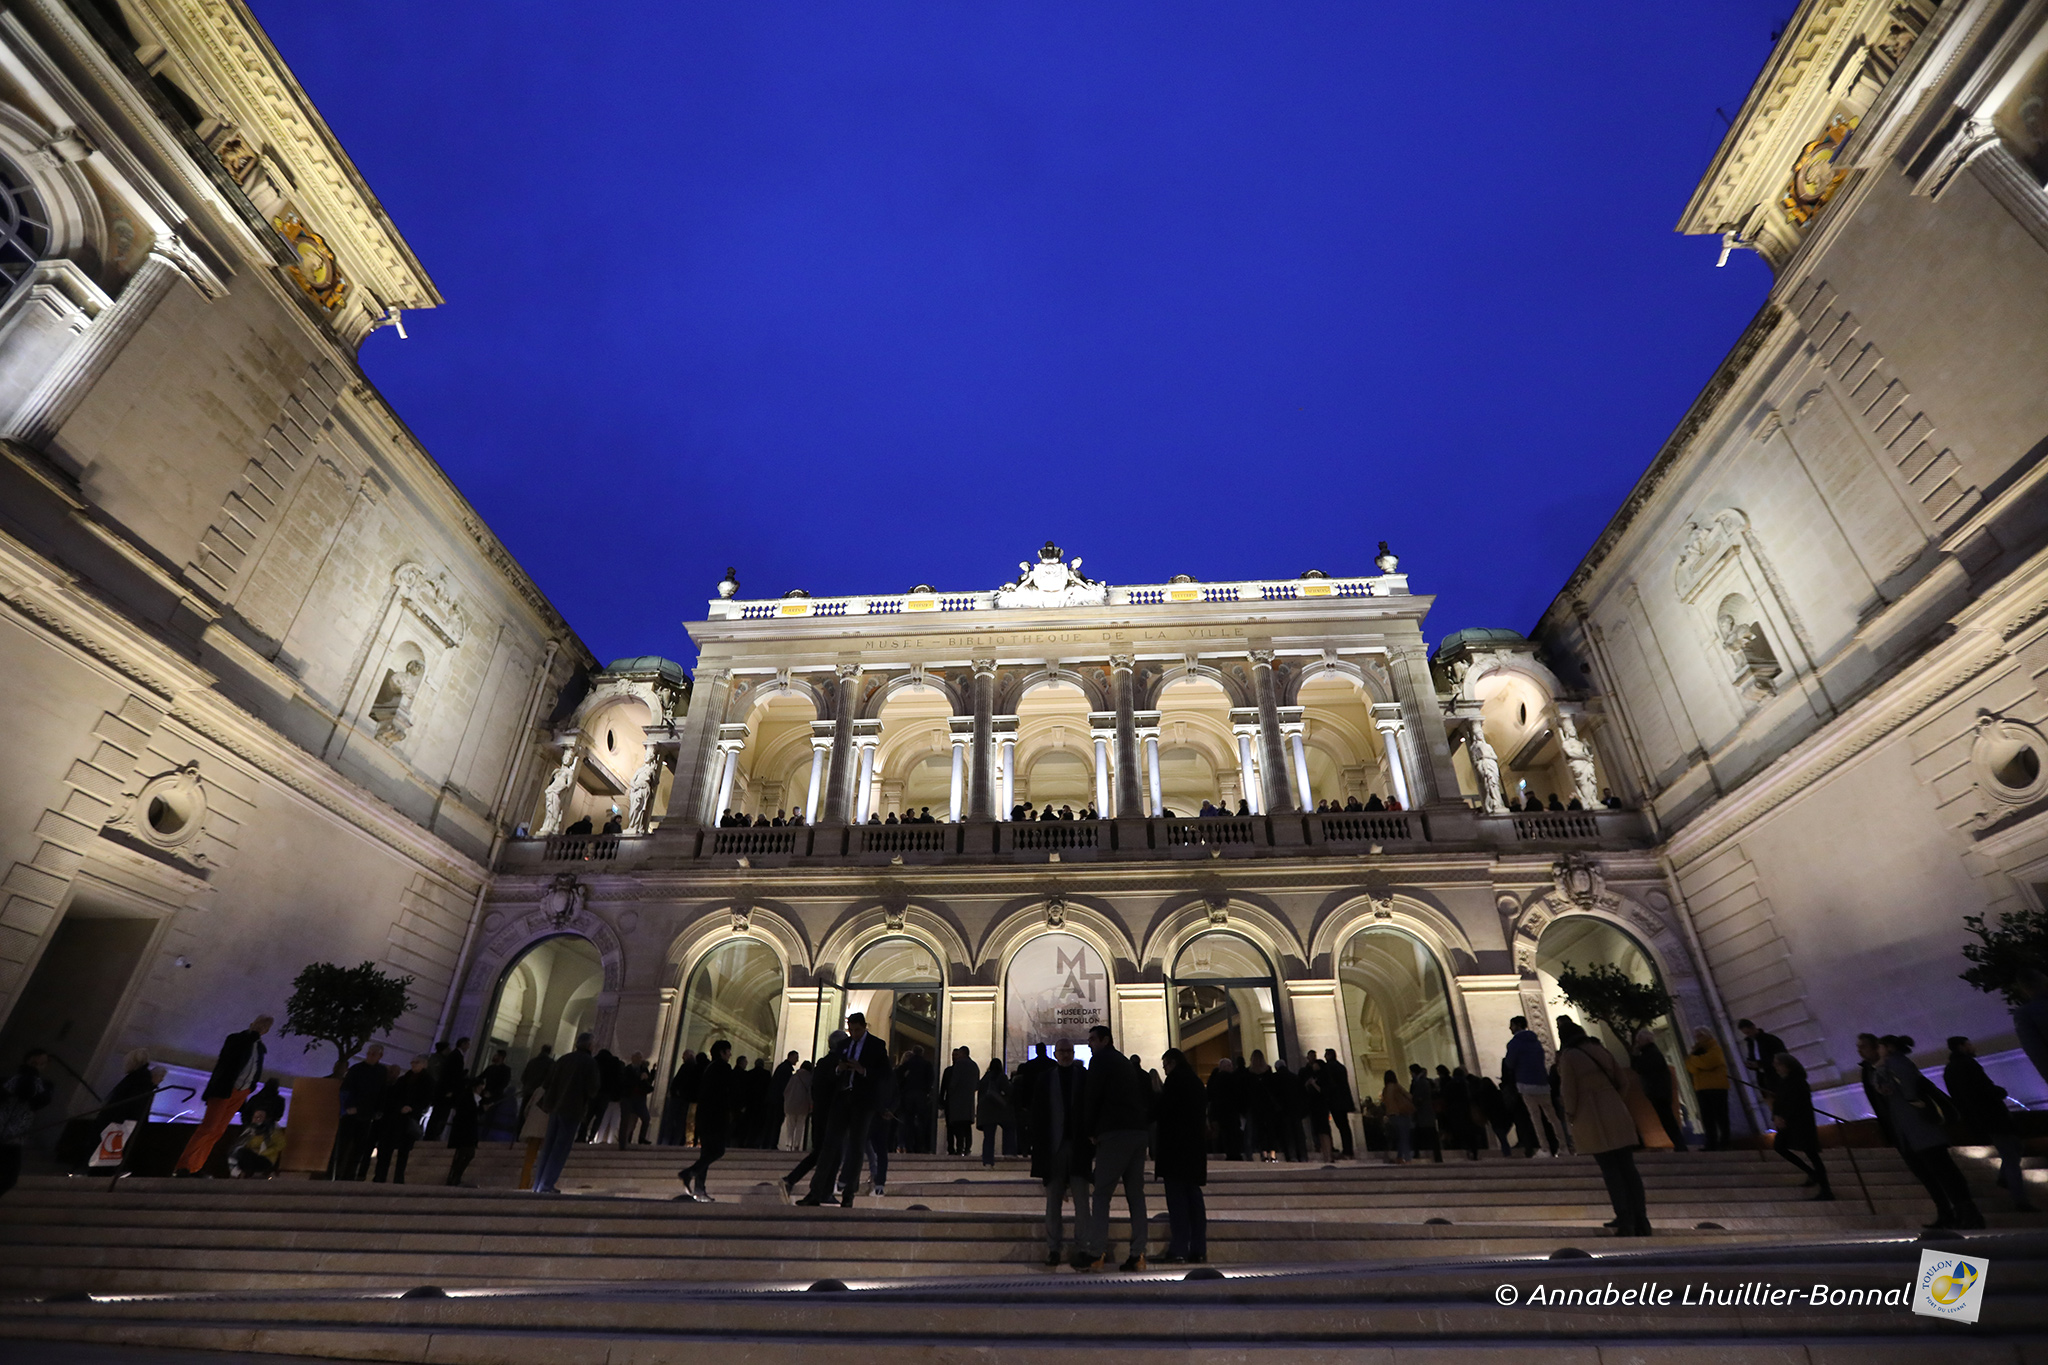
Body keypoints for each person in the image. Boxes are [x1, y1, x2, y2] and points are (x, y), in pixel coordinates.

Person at [1875, 1034, 1982, 1229]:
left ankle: (1965, 1213)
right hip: (1917, 1129)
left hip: (1918, 1127)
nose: (1878, 1051)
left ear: (1888, 1047)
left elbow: (1892, 1089)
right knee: (1942, 1172)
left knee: (1943, 1172)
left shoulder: (1895, 1063)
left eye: (1880, 1047)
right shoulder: (1900, 1062)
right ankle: (1958, 1213)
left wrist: (1881, 1066)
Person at [1554, 1018, 1650, 1237]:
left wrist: (1570, 1114)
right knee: (1628, 1168)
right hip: (1616, 1112)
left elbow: (1569, 1090)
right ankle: (1642, 1219)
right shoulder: (1599, 1049)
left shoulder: (1569, 1057)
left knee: (1610, 1170)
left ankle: (1625, 1220)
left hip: (1591, 1117)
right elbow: (1623, 1081)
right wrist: (1614, 1100)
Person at [1073, 1024, 1152, 1272]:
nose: (1089, 1044)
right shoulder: (1124, 1062)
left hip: (1115, 1134)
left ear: (1105, 1040)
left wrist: (1090, 1131)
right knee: (1135, 1195)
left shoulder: (1100, 1061)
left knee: (1101, 1194)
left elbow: (1092, 1096)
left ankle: (1096, 1253)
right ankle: (1138, 1254)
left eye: (1093, 1039)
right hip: (1137, 1132)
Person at [798, 1012, 890, 1207]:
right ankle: (816, 1192)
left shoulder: (876, 1045)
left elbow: (884, 1075)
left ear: (865, 1027)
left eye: (857, 1030)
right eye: (851, 1030)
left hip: (863, 1102)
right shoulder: (844, 1045)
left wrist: (862, 1070)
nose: (854, 1033)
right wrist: (840, 1069)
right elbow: (832, 1075)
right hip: (842, 1099)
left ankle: (849, 1194)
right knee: (829, 1145)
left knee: (856, 1148)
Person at [1946, 1035, 2035, 1212]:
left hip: (1979, 1119)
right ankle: (2020, 1200)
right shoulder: (1969, 1065)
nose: (1972, 1047)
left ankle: (2004, 1179)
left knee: (2014, 1148)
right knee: (2011, 1154)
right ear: (1961, 1047)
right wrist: (1999, 1092)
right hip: (1993, 1116)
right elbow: (1984, 1088)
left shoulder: (1949, 1070)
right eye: (1969, 1044)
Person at [175, 1015, 273, 1176]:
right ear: (253, 1023)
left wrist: (250, 1087)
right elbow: (229, 1059)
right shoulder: (236, 1039)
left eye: (266, 1026)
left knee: (217, 1131)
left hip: (241, 1091)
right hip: (225, 1088)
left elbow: (255, 1066)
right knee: (209, 1127)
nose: (263, 1027)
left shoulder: (260, 1048)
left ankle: (195, 1167)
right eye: (261, 1023)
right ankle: (183, 1166)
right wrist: (253, 1034)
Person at [1027, 1038, 1093, 1266]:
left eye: (1068, 1051)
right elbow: (1038, 1115)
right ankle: (1053, 1248)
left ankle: (1082, 1246)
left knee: (1082, 1201)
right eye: (1062, 1051)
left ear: (1073, 1053)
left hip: (1078, 1147)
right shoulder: (1045, 1079)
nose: (1065, 1055)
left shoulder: (1083, 1078)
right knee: (1053, 1201)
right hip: (1054, 1148)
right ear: (1056, 1054)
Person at [1155, 1047, 1208, 1264]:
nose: (1165, 1070)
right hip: (1194, 1151)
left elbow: (1166, 1114)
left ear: (1172, 1062)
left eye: (1165, 1065)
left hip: (1175, 1151)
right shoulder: (1195, 1081)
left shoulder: (1174, 1082)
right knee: (1194, 1201)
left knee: (1177, 1202)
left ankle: (1179, 1249)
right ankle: (1198, 1248)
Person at [531, 1032, 600, 1194]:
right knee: (560, 1148)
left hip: (555, 1107)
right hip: (572, 1109)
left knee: (548, 1146)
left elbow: (547, 1083)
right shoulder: (590, 1063)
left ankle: (538, 1184)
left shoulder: (563, 1059)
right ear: (590, 1046)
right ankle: (547, 1184)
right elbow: (593, 1090)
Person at [779, 1031, 843, 1202]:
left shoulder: (822, 1063)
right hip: (828, 1117)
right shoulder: (833, 1064)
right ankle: (818, 1190)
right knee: (829, 1154)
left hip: (822, 1115)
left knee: (825, 1154)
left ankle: (813, 1188)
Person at [1768, 1053, 1831, 1201]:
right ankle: (1812, 1173)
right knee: (1780, 1146)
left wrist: (1783, 1117)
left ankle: (1826, 1189)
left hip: (1800, 1123)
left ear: (1786, 1065)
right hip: (1787, 1123)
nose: (1775, 1067)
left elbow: (1797, 1103)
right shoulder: (1783, 1082)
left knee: (1812, 1154)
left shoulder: (1798, 1082)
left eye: (1777, 1063)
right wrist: (1776, 1116)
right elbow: (1778, 1102)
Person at [1503, 1016, 1568, 1156]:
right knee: (1552, 1117)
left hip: (1525, 1083)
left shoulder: (1514, 1043)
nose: (1510, 1028)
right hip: (1542, 1083)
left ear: (1518, 1025)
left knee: (1535, 1118)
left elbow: (1509, 1063)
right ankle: (1564, 1146)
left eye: (1512, 1025)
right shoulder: (1535, 1041)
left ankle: (1545, 1148)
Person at [677, 1039, 733, 1202]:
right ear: (722, 1052)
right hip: (715, 1116)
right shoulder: (723, 1068)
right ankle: (690, 1173)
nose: (730, 1054)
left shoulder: (709, 1068)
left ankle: (699, 1190)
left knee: (707, 1153)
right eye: (728, 1051)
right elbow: (725, 1093)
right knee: (717, 1151)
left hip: (704, 1115)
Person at [333, 1042, 390, 1181]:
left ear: (380, 1056)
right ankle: (335, 1173)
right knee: (343, 1145)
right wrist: (348, 1107)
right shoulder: (356, 1069)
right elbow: (346, 1090)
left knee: (359, 1147)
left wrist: (378, 1110)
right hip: (351, 1113)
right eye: (369, 1053)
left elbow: (382, 1092)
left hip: (366, 1114)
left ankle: (350, 1174)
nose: (370, 1056)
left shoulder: (381, 1072)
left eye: (373, 1054)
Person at [375, 1053, 435, 1183]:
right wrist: (400, 1107)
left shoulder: (427, 1081)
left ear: (424, 1065)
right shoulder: (404, 1079)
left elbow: (426, 1100)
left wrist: (412, 1108)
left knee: (403, 1150)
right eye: (412, 1062)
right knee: (388, 1148)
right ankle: (382, 1176)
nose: (413, 1065)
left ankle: (397, 1177)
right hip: (396, 1118)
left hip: (409, 1119)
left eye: (416, 1062)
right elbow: (393, 1096)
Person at [1, 1049, 53, 1197]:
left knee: (9, 1178)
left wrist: (31, 1077)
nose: (38, 1066)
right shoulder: (7, 1080)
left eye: (42, 1064)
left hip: (15, 1137)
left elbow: (34, 1099)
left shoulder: (44, 1085)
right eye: (35, 1063)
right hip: (6, 1130)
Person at [1630, 1031, 1687, 1151]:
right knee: (1667, 1119)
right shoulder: (1653, 1053)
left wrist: (1635, 1056)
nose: (1638, 1043)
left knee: (1667, 1119)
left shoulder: (1650, 1054)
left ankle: (1679, 1144)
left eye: (1639, 1040)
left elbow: (1639, 1068)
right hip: (1660, 1091)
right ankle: (1679, 1144)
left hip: (1657, 1092)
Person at [1684, 1028, 1731, 1150]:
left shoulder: (1715, 1049)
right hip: (1701, 1087)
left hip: (1716, 1087)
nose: (1698, 1038)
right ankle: (1711, 1143)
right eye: (1696, 1035)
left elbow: (1708, 1063)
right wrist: (1695, 1060)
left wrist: (1694, 1059)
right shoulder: (1696, 1051)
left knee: (1721, 1116)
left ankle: (1725, 1142)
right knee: (1707, 1117)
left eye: (1700, 1035)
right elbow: (1691, 1068)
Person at [444, 1076, 485, 1186]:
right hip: (466, 1132)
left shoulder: (468, 1098)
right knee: (466, 1154)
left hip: (464, 1131)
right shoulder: (469, 1098)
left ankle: (454, 1177)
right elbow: (469, 1114)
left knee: (462, 1155)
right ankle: (455, 1177)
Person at [940, 1046, 979, 1156]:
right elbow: (977, 1084)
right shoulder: (974, 1066)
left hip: (957, 1100)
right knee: (967, 1126)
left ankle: (959, 1148)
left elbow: (953, 1083)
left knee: (957, 1126)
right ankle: (967, 1148)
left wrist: (949, 1095)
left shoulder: (959, 1065)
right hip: (968, 1100)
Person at [227, 1106, 285, 1179]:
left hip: (265, 1158)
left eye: (260, 1116)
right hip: (250, 1155)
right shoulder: (250, 1130)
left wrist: (262, 1152)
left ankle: (247, 1174)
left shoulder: (273, 1131)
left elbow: (280, 1145)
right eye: (255, 1117)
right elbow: (243, 1142)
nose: (257, 1119)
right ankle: (237, 1174)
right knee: (236, 1152)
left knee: (244, 1154)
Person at [1736, 1019, 1785, 1104]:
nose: (1748, 1035)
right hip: (1762, 1077)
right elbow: (1753, 1057)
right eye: (1745, 1033)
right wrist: (1750, 1064)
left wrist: (1760, 1064)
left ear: (1753, 1027)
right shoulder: (1751, 1043)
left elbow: (1780, 1057)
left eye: (1748, 1032)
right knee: (1770, 1102)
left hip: (1775, 1076)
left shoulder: (1770, 1040)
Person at [977, 1058, 1014, 1166]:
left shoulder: (985, 1078)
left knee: (988, 1137)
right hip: (998, 1109)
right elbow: (1008, 1090)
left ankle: (987, 1160)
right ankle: (1009, 1152)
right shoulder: (1001, 1077)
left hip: (985, 1111)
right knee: (1009, 1127)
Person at [1321, 1048, 1357, 1159]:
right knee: (1345, 1127)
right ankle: (1348, 1150)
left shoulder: (1329, 1068)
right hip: (1343, 1101)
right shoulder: (1341, 1067)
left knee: (1341, 1126)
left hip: (1335, 1101)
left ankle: (1345, 1151)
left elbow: (1330, 1085)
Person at [1207, 1057, 1242, 1161]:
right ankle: (1235, 1153)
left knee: (1225, 1135)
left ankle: (1228, 1153)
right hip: (1231, 1112)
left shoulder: (1215, 1080)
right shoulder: (1232, 1079)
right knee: (1233, 1134)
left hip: (1220, 1113)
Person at [1407, 1064, 1442, 1163]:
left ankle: (1420, 1154)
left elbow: (1419, 1097)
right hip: (1424, 1113)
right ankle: (1432, 1155)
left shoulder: (1421, 1082)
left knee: (1425, 1133)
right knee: (1426, 1133)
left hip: (1423, 1112)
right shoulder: (1422, 1082)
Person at [1379, 1070, 1414, 1163]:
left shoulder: (1385, 1089)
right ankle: (1406, 1157)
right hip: (1401, 1113)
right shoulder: (1396, 1087)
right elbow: (1409, 1096)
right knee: (1404, 1136)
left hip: (1392, 1115)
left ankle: (1400, 1156)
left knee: (1399, 1136)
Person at [780, 1060, 814, 1151]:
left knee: (790, 1126)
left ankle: (788, 1145)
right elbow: (810, 1093)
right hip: (803, 1105)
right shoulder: (810, 1078)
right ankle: (796, 1145)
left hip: (790, 1104)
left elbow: (786, 1091)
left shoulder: (794, 1077)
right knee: (800, 1126)